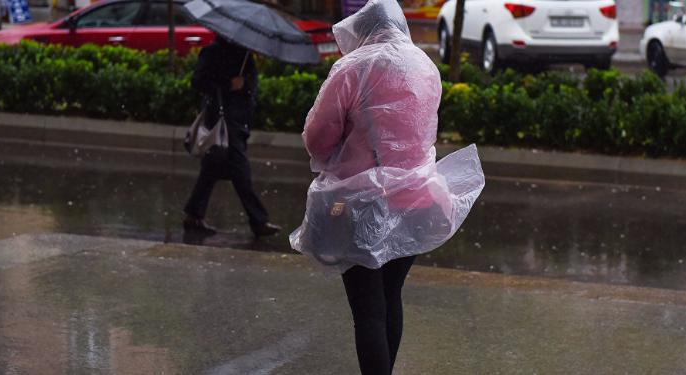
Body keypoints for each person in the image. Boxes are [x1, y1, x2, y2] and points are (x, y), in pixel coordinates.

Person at [293, 0, 484, 374]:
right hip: (418, 198)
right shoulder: (423, 65)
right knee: (390, 295)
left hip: (362, 206)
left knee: (368, 312)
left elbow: (317, 138)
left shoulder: (352, 67)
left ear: (363, 29)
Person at [183, 36, 281, 238]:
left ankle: (193, 215)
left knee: (210, 170)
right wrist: (227, 85)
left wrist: (244, 86)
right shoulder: (212, 52)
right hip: (222, 123)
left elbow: (251, 88)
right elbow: (198, 81)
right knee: (240, 172)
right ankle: (258, 221)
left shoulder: (246, 55)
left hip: (239, 122)